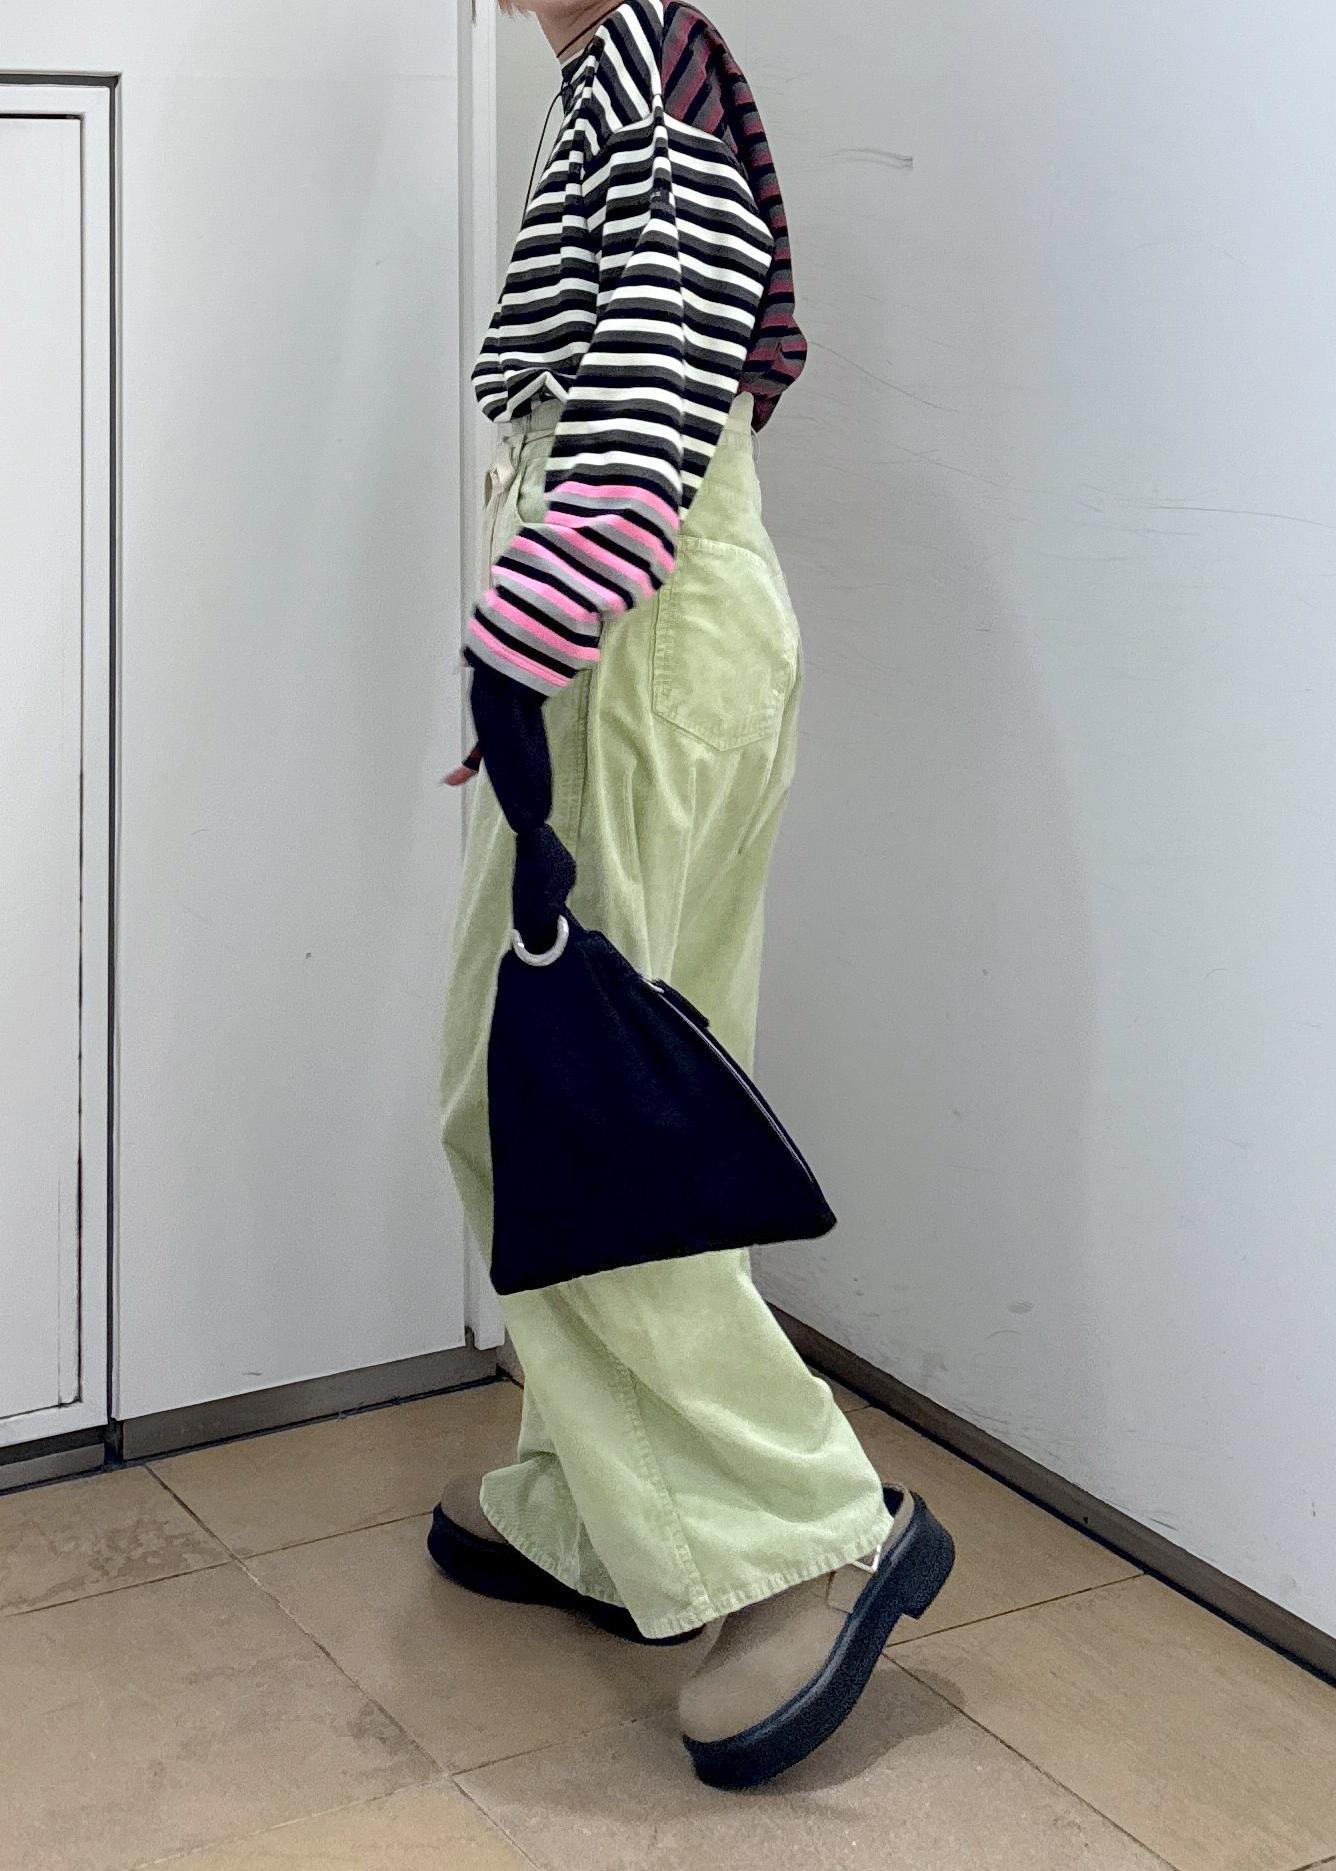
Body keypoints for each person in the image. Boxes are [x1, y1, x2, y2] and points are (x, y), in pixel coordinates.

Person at [435, 0, 955, 1788]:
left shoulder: (645, 77)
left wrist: (526, 644)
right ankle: (608, 1508)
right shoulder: (634, 72)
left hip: (645, 646)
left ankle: (804, 1531)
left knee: (549, 1106)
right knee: (641, 1081)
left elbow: (653, 398)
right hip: (664, 641)